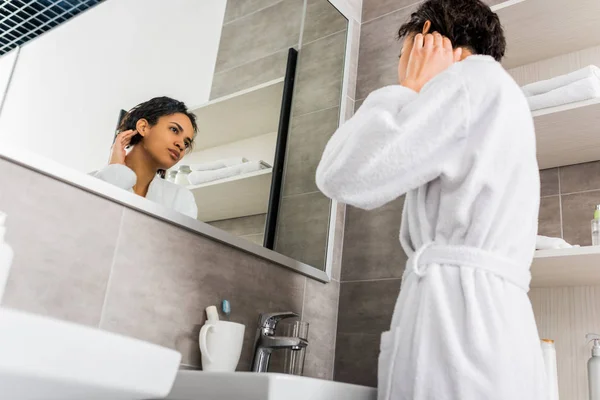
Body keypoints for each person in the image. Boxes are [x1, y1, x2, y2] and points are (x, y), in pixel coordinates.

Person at [316, 0, 545, 399]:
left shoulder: (464, 84)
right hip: (493, 321)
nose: (402, 64)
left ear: (428, 40)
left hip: (457, 321)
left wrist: (407, 88)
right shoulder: (500, 93)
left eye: (404, 55)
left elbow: (343, 176)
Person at [93, 96, 199, 219]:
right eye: (174, 130)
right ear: (143, 127)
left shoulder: (181, 198)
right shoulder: (87, 183)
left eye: (186, 143)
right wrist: (115, 171)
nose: (181, 145)